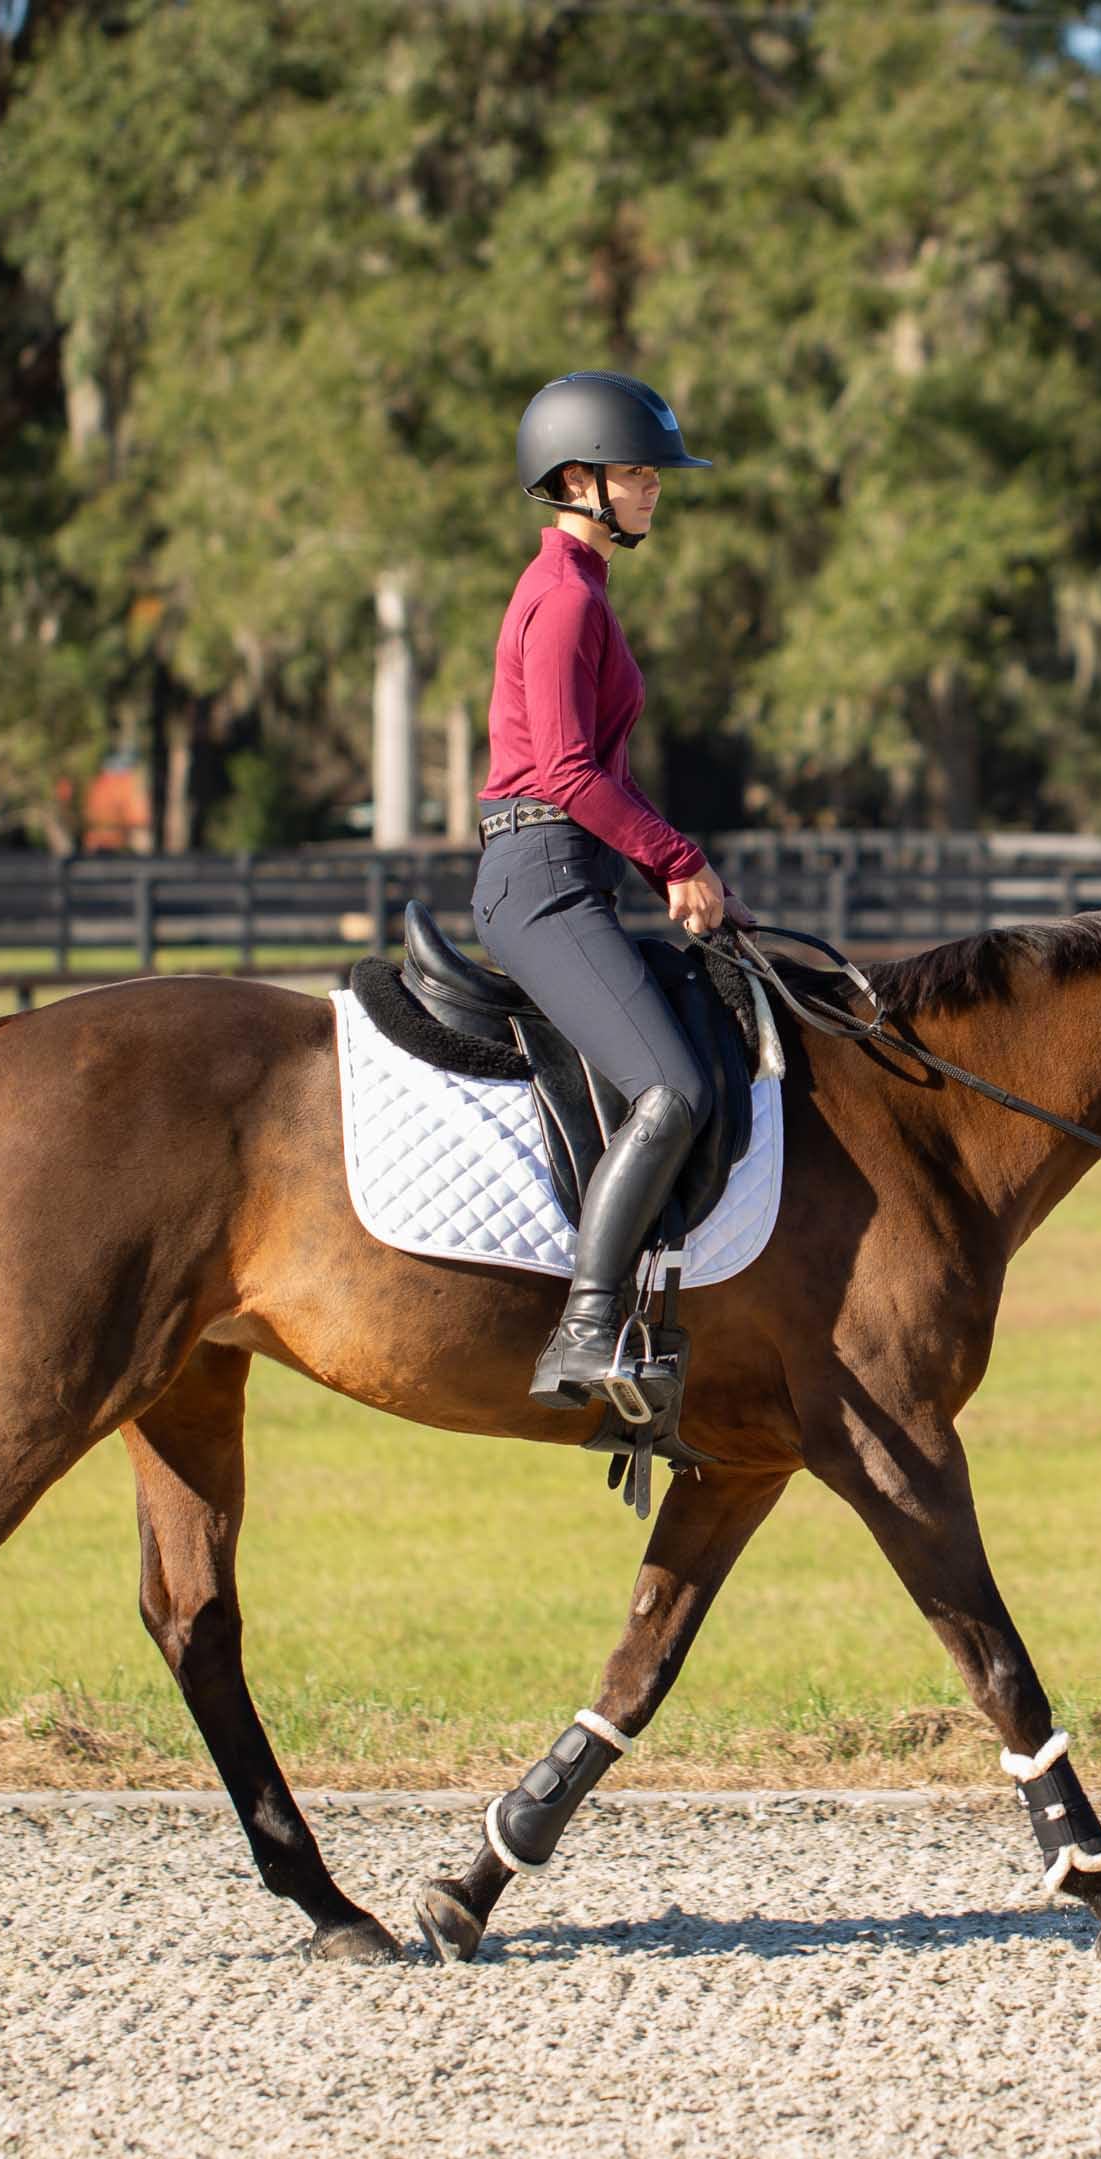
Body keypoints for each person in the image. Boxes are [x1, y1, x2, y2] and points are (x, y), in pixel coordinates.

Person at [474, 370, 754, 1408]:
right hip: (538, 882)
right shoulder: (556, 599)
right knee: (671, 1086)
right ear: (577, 478)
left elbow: (609, 776)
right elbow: (561, 774)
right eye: (638, 473)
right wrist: (675, 857)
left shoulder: (585, 591)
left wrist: (673, 870)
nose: (653, 491)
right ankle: (586, 1329)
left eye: (651, 474)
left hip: (576, 872)